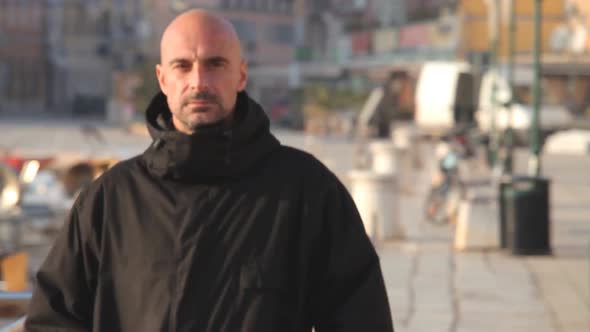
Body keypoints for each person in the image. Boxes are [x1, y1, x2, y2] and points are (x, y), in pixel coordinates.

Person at [25, 9, 394, 332]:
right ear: (163, 79)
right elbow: (53, 319)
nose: (199, 82)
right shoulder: (109, 201)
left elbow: (361, 319)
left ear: (241, 75)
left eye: (215, 64)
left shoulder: (306, 192)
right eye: (182, 65)